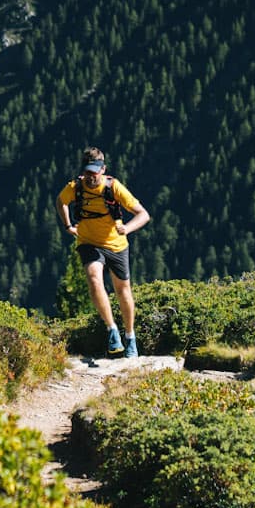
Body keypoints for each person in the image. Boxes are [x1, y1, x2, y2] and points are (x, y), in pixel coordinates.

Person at [57, 147, 150, 356]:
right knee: (94, 278)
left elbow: (143, 215)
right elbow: (61, 201)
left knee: (123, 290)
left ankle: (130, 336)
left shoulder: (114, 187)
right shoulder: (75, 187)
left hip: (116, 245)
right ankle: (112, 330)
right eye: (88, 172)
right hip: (88, 242)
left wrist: (127, 228)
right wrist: (68, 225)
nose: (91, 177)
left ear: (103, 169)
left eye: (95, 172)